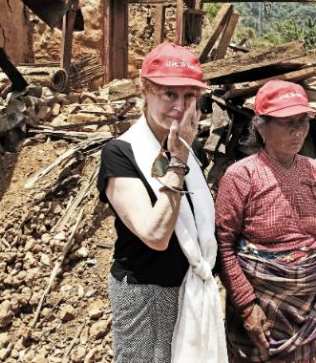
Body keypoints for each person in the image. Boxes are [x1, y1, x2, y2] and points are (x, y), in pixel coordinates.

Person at [97, 42, 227, 362]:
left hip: (189, 288)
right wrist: (177, 162)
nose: (179, 107)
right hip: (146, 295)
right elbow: (155, 235)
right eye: (169, 94)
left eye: (188, 96)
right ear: (146, 90)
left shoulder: (188, 150)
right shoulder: (121, 153)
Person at [215, 80, 316, 362]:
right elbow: (223, 246)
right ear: (261, 126)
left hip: (313, 305)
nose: (298, 130)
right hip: (263, 307)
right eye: (287, 122)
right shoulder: (241, 176)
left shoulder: (315, 172)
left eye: (302, 120)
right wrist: (247, 305)